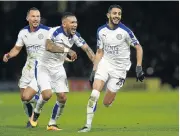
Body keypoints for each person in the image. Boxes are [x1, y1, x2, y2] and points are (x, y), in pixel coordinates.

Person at [78, 4, 145, 132]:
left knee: (106, 103)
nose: (117, 16)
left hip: (120, 69)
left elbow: (138, 47)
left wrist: (138, 67)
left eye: (119, 14)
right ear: (108, 15)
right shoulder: (101, 31)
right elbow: (99, 51)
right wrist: (94, 70)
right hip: (105, 63)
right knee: (94, 92)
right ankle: (87, 125)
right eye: (114, 13)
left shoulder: (125, 31)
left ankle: (110, 99)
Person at [28, 12, 95, 131]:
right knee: (47, 95)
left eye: (76, 22)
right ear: (64, 24)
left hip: (58, 67)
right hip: (43, 66)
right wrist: (67, 50)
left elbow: (87, 49)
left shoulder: (75, 36)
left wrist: (97, 65)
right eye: (72, 22)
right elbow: (49, 46)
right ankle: (36, 112)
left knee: (63, 97)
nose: (75, 25)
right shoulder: (55, 32)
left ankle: (52, 123)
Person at [2, 7, 50, 127]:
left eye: (38, 16)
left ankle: (39, 97)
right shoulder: (23, 32)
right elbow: (17, 49)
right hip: (28, 67)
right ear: (27, 18)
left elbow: (57, 44)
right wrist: (9, 54)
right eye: (33, 16)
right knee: (23, 98)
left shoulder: (47, 31)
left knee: (27, 96)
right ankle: (32, 120)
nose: (36, 19)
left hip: (41, 68)